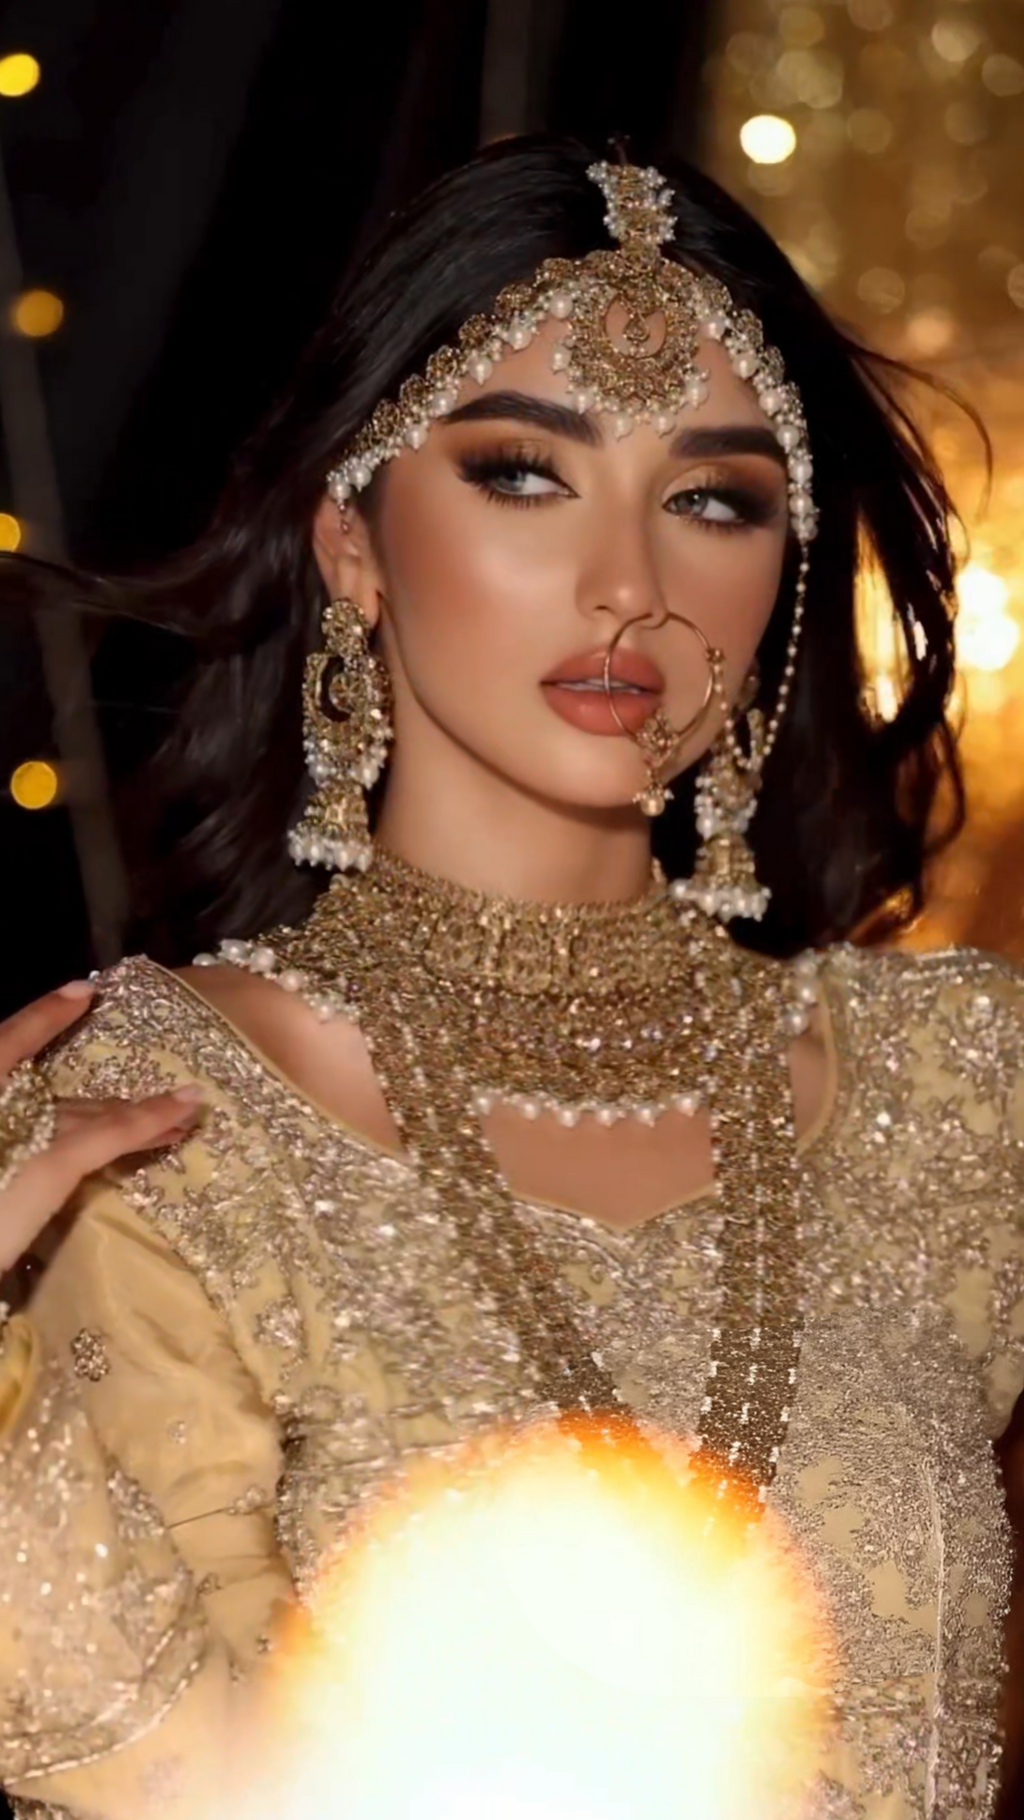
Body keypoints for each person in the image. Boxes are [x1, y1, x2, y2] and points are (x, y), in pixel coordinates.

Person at [0, 133, 1021, 1820]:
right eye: (525, 476)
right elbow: (187, 1785)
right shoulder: (157, 1132)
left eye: (714, 498)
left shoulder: (959, 1090)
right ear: (350, 542)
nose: (630, 586)